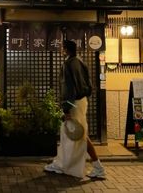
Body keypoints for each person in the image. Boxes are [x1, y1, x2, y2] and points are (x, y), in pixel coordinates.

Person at [44, 40, 106, 179]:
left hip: (73, 103)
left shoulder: (68, 64)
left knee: (75, 135)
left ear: (65, 49)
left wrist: (66, 109)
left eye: (62, 48)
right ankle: (64, 164)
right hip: (82, 101)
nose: (61, 50)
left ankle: (95, 167)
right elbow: (89, 83)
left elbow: (68, 88)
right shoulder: (80, 61)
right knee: (77, 134)